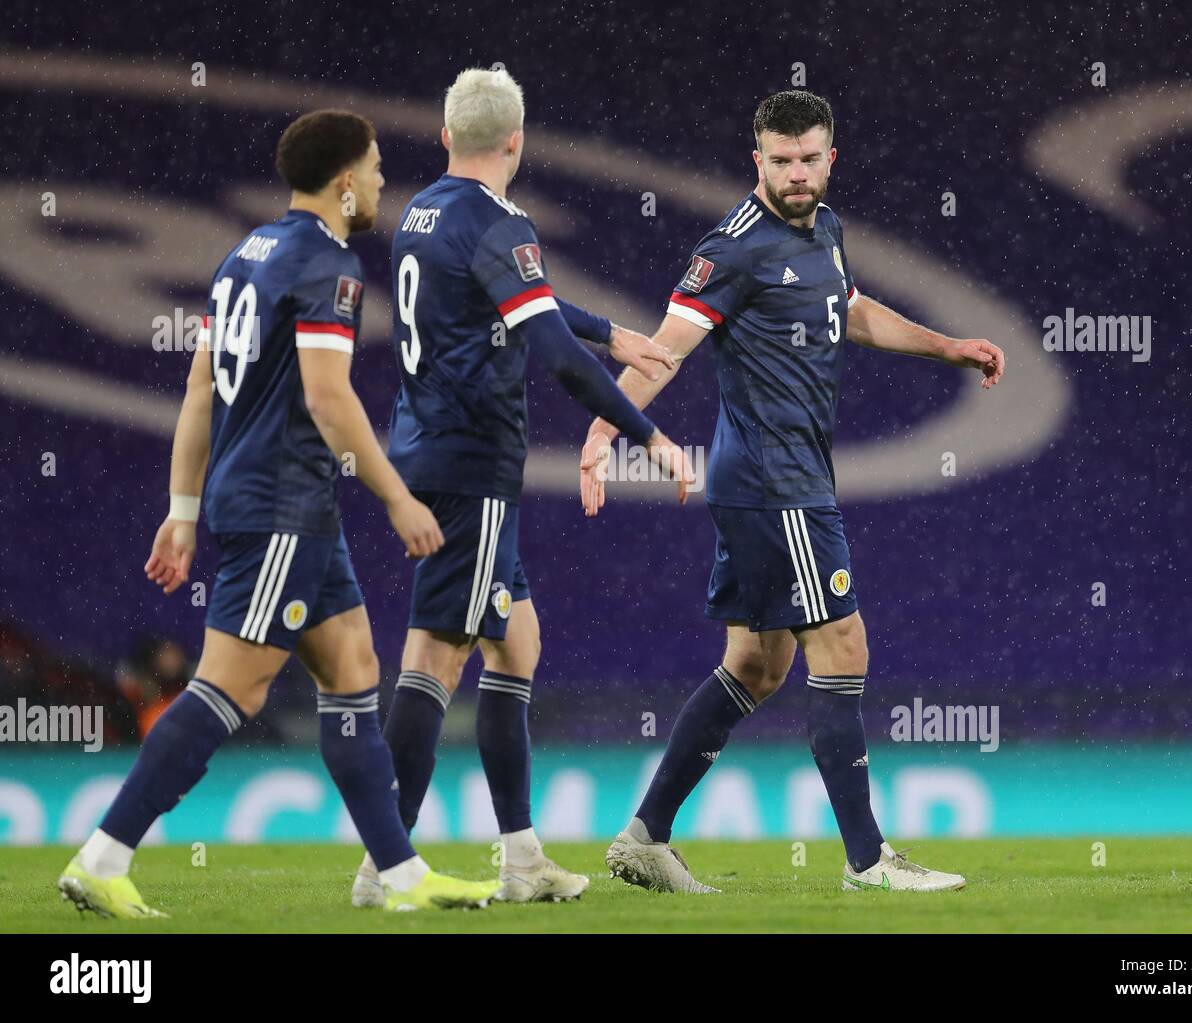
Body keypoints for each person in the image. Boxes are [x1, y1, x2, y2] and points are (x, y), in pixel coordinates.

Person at [58, 109, 500, 918]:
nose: (377, 183)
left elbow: (199, 389)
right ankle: (103, 854)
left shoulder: (243, 254)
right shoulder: (327, 266)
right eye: (371, 170)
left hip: (284, 506)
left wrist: (183, 508)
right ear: (342, 182)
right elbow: (329, 399)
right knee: (232, 688)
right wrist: (398, 498)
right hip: (282, 506)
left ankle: (398, 875)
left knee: (352, 668)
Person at [581, 91, 1005, 894]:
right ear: (758, 161)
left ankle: (644, 837)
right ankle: (868, 860)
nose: (797, 172)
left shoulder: (829, 231)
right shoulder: (732, 248)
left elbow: (851, 311)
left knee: (756, 661)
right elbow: (664, 349)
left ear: (830, 158)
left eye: (810, 158)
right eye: (781, 160)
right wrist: (606, 430)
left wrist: (949, 346)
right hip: (776, 482)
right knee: (842, 644)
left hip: (775, 479)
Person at [350, 68, 691, 906]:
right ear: (517, 142)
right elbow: (551, 349)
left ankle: (522, 854)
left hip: (429, 449)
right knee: (436, 654)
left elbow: (523, 302)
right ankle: (384, 866)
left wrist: (611, 331)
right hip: (471, 465)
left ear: (444, 138)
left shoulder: (421, 213)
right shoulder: (502, 223)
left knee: (517, 641)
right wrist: (650, 437)